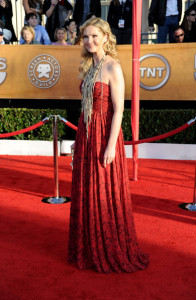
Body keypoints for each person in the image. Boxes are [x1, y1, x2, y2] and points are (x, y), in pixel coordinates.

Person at [68, 17, 149, 273]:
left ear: (105, 36)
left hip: (105, 135)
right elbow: (85, 107)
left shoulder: (113, 66)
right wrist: (79, 137)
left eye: (95, 36)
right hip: (87, 135)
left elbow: (119, 111)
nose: (90, 41)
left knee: (103, 190)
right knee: (87, 189)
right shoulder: (89, 65)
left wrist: (111, 145)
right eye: (86, 37)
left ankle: (107, 246)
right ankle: (89, 247)